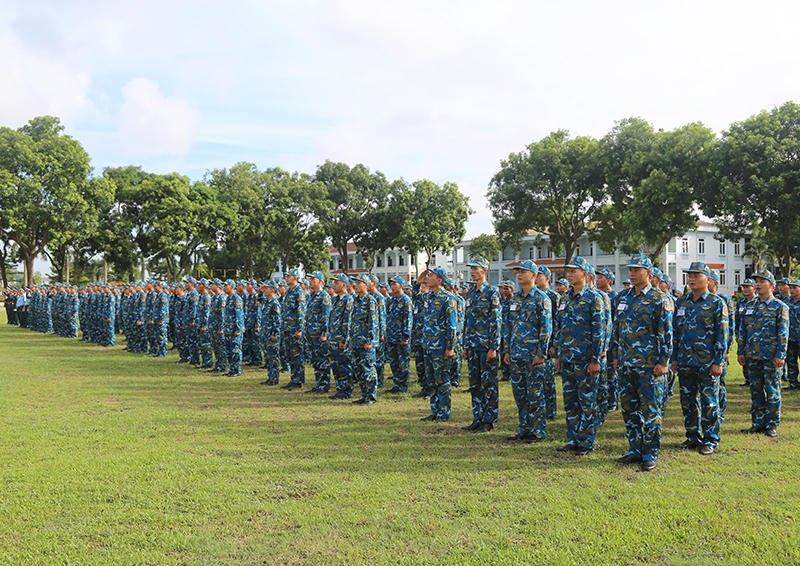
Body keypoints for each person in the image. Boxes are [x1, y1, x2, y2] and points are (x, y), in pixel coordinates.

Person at [610, 254, 672, 472]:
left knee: (650, 410)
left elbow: (665, 333)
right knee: (629, 409)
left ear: (649, 273)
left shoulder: (658, 298)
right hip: (627, 363)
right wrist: (615, 356)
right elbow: (616, 331)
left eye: (637, 270)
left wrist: (663, 362)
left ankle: (650, 453)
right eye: (631, 269)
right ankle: (634, 449)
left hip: (649, 365)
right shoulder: (621, 298)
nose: (633, 273)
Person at [672, 262, 728, 455]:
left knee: (709, 402)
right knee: (687, 401)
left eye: (697, 275)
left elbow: (722, 335)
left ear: (708, 279)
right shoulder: (682, 302)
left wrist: (718, 361)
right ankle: (692, 437)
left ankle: (711, 439)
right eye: (690, 275)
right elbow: (676, 333)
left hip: (707, 362)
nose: (692, 279)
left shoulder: (716, 303)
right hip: (686, 361)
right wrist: (674, 358)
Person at [552, 256, 604, 456]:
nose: (569, 274)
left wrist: (595, 359)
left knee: (587, 401)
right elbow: (560, 328)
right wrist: (558, 354)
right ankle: (573, 438)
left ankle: (586, 441)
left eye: (574, 270)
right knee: (571, 401)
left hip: (585, 360)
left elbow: (598, 331)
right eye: (568, 271)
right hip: (567, 358)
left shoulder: (594, 298)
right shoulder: (564, 299)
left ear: (585, 274)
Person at [504, 259, 552, 443]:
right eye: (518, 272)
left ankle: (537, 430)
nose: (519, 275)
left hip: (533, 356)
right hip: (516, 354)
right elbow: (509, 326)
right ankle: (524, 429)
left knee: (535, 395)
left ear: (533, 275)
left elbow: (546, 328)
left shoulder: (542, 299)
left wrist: (541, 353)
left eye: (523, 272)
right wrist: (507, 350)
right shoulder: (515, 299)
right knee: (520, 395)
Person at [738, 270, 788, 437]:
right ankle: (758, 422)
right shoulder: (749, 306)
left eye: (762, 281)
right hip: (752, 355)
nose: (757, 284)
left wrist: (780, 355)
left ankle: (772, 424)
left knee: (772, 389)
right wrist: (741, 351)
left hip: (771, 357)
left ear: (772, 286)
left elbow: (783, 333)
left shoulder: (780, 307)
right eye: (756, 281)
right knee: (756, 390)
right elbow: (742, 331)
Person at [461, 256, 502, 433]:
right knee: (475, 384)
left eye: (476, 268)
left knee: (489, 384)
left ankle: (488, 420)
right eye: (471, 268)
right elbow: (467, 321)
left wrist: (494, 347)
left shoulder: (492, 292)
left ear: (484, 270)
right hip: (472, 345)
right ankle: (477, 417)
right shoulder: (470, 293)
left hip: (486, 346)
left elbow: (496, 321)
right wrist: (464, 345)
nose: (472, 271)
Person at [419, 266, 457, 422]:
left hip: (440, 347)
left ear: (440, 280)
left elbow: (452, 325)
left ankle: (443, 412)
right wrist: (420, 280)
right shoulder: (428, 297)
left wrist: (450, 347)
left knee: (442, 380)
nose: (428, 277)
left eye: (432, 275)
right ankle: (434, 410)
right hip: (428, 345)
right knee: (432, 381)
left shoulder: (447, 298)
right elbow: (416, 294)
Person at [350, 273, 379, 405]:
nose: (356, 285)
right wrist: (351, 339)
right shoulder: (355, 300)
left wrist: (370, 341)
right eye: (355, 283)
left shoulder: (370, 300)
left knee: (368, 369)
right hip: (356, 341)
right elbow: (353, 321)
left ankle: (371, 397)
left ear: (366, 285)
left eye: (359, 282)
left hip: (366, 342)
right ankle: (364, 395)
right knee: (359, 369)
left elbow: (373, 322)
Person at [328, 274, 354, 399]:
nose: (334, 285)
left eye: (336, 283)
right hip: (334, 338)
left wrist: (345, 339)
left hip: (341, 339)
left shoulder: (348, 299)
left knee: (344, 366)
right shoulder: (335, 299)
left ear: (344, 285)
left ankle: (346, 391)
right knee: (335, 366)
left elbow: (348, 321)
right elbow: (332, 319)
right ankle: (339, 389)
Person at [385, 275, 413, 393]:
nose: (392, 287)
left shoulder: (406, 301)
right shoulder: (392, 301)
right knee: (394, 362)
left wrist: (405, 337)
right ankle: (397, 384)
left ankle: (403, 386)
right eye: (391, 284)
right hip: (392, 336)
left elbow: (408, 319)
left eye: (394, 284)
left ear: (401, 286)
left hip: (401, 338)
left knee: (403, 363)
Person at [305, 272, 332, 393]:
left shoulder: (324, 296)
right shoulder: (312, 296)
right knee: (315, 360)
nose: (310, 281)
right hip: (312, 334)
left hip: (320, 335)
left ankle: (324, 385)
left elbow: (326, 317)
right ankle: (319, 383)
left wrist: (324, 334)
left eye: (313, 279)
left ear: (320, 282)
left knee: (322, 360)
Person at [281, 269, 307, 390]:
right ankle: (293, 378)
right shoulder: (289, 292)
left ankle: (298, 380)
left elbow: (301, 311)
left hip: (295, 329)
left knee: (297, 355)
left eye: (289, 276)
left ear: (295, 278)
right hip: (288, 328)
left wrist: (300, 328)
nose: (287, 278)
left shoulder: (299, 292)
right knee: (290, 355)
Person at [258, 281, 282, 385]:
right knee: (268, 357)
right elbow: (258, 299)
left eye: (267, 288)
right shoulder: (267, 302)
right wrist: (260, 290)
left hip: (271, 334)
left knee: (273, 357)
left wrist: (275, 333)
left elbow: (277, 320)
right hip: (265, 333)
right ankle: (270, 377)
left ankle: (274, 378)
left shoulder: (275, 303)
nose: (264, 290)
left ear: (272, 290)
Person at [735, 279, 756, 387]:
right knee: (743, 356)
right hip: (743, 335)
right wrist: (737, 334)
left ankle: (754, 379)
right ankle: (747, 379)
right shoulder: (740, 303)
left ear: (754, 288)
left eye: (748, 286)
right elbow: (737, 320)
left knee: (753, 357)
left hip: (754, 335)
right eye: (744, 287)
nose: (746, 289)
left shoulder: (757, 302)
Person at [223, 280, 244, 376]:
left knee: (235, 351)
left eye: (226, 285)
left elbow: (239, 314)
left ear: (232, 287)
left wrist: (238, 329)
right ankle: (232, 369)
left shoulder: (236, 298)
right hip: (228, 329)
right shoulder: (228, 298)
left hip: (234, 330)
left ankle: (237, 370)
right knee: (229, 351)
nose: (224, 287)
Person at [784, 279, 800, 390]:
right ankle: (793, 383)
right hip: (790, 338)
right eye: (791, 288)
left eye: (795, 288)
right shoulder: (786, 302)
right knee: (791, 361)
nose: (792, 290)